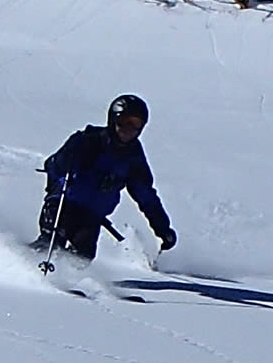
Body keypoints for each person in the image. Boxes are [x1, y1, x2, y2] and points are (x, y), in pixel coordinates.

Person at [31, 94, 177, 261]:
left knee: (82, 258)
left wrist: (162, 229)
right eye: (124, 121)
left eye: (135, 124)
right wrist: (67, 157)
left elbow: (146, 196)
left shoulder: (133, 158)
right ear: (113, 120)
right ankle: (23, 265)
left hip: (91, 216)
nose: (128, 129)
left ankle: (62, 275)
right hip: (63, 204)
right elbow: (52, 166)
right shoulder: (88, 140)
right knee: (50, 244)